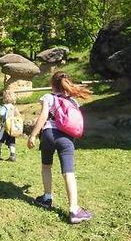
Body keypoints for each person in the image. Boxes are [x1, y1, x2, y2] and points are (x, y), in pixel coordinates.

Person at [27, 71, 93, 224]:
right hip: (66, 138)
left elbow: (43, 117)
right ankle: (74, 209)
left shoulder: (48, 97)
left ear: (52, 84)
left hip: (49, 134)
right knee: (68, 172)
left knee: (46, 166)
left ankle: (47, 198)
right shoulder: (74, 102)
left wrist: (33, 135)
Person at [0, 90, 18, 162]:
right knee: (11, 141)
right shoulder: (14, 107)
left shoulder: (4, 106)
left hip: (5, 126)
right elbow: (17, 115)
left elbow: (1, 114)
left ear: (4, 98)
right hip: (12, 128)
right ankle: (12, 155)